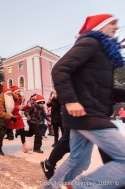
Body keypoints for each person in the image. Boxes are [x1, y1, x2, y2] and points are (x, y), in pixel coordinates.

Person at [45, 14, 125, 189]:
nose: (116, 27)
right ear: (100, 27)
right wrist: (70, 100)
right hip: (88, 115)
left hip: (87, 114)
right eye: (112, 23)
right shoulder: (91, 43)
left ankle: (51, 187)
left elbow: (105, 92)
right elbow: (60, 69)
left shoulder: (102, 52)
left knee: (79, 161)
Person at [0, 86, 22, 155]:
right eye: (8, 94)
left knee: (3, 133)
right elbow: (1, 113)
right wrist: (11, 117)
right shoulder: (1, 100)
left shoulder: (8, 98)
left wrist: (11, 93)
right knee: (1, 133)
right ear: (5, 94)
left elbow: (16, 98)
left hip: (4, 118)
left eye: (10, 94)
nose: (10, 95)